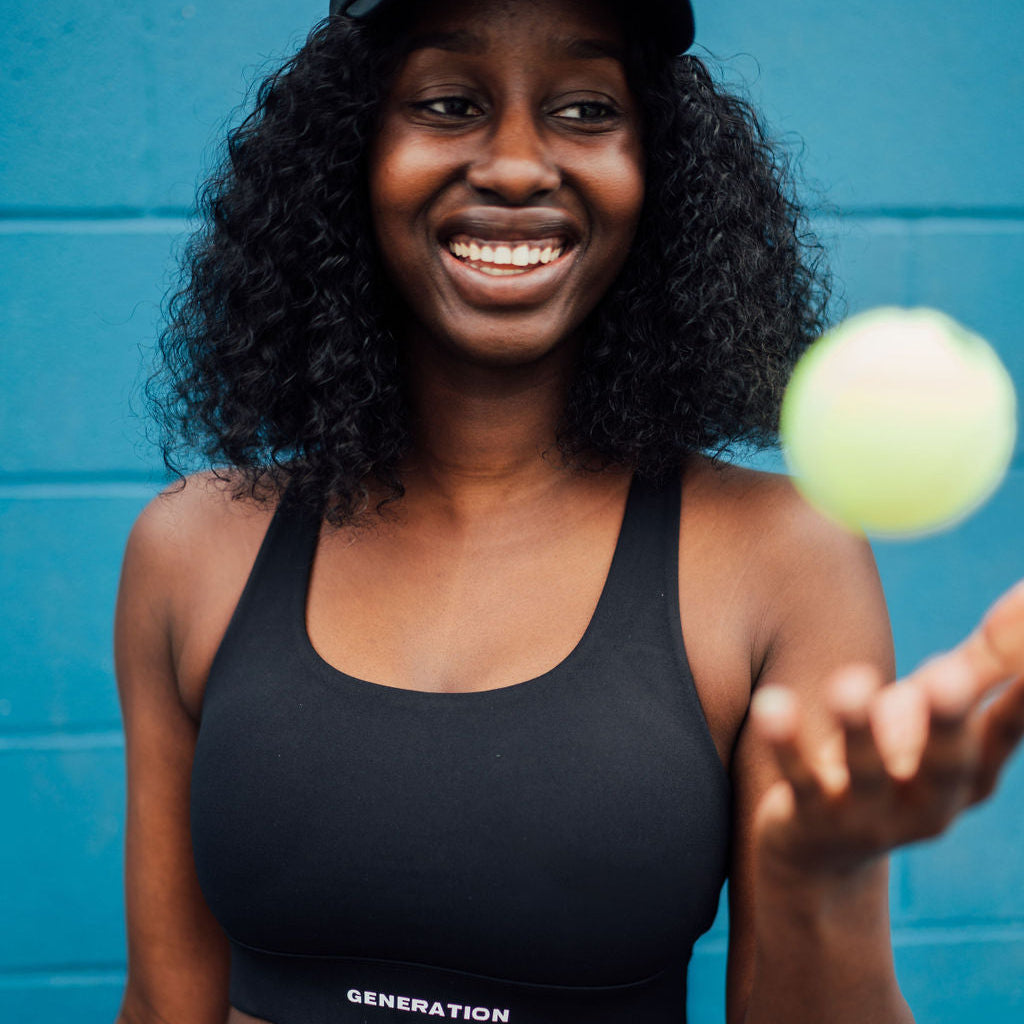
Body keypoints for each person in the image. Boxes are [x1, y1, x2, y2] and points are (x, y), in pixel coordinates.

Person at [113, 1, 1024, 1022]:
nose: (513, 165)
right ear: (349, 159)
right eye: (449, 103)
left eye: (586, 109)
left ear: (659, 172)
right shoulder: (192, 548)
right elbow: (161, 1003)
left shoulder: (781, 559)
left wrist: (832, 881)